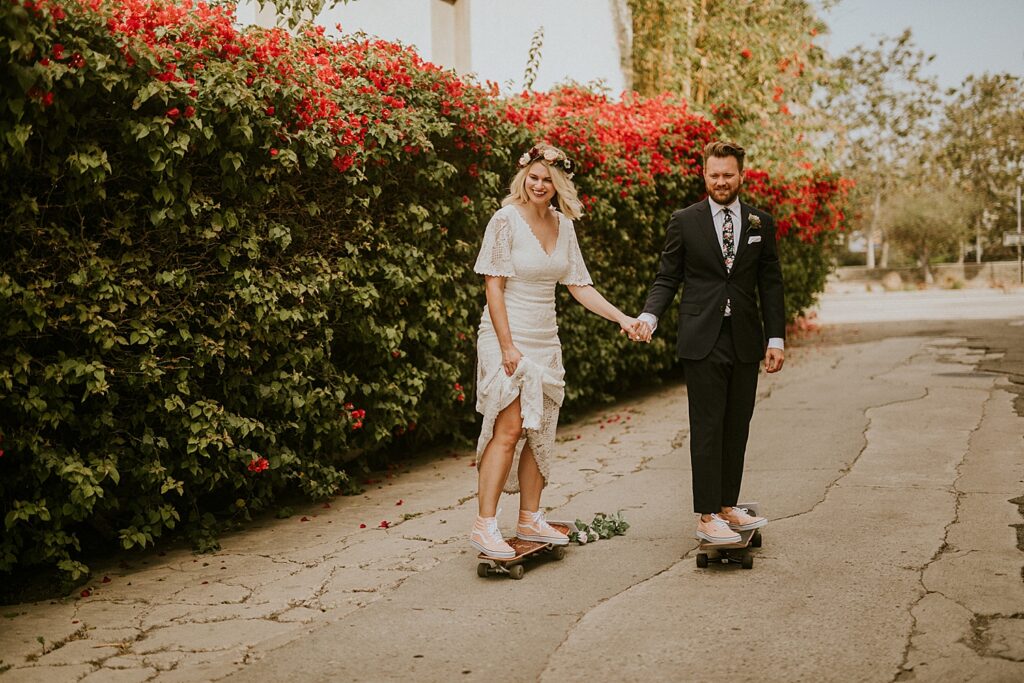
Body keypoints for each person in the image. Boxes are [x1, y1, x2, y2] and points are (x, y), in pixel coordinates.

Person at [470, 143, 640, 558]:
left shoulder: (564, 226)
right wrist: (508, 346)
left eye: (548, 179)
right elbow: (493, 284)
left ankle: (530, 518)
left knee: (540, 434)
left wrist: (622, 318)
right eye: (534, 177)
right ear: (523, 177)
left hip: (546, 341)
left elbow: (579, 284)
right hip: (505, 336)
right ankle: (485, 525)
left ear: (559, 183)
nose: (540, 185)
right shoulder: (505, 219)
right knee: (508, 430)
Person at [631, 140, 785, 544]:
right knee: (706, 427)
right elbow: (668, 276)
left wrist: (776, 337)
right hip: (701, 339)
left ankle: (727, 506)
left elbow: (771, 283)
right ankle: (706, 514)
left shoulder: (759, 223)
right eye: (714, 175)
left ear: (741, 175)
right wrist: (650, 315)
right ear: (704, 175)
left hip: (746, 339)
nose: (720, 181)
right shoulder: (685, 220)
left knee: (737, 425)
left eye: (728, 175)